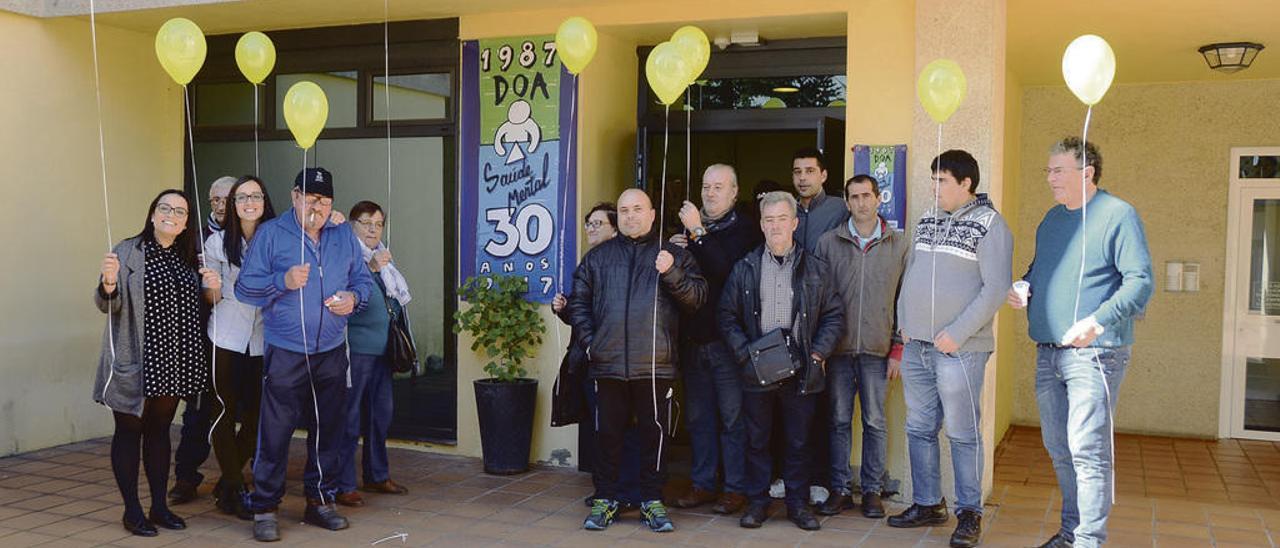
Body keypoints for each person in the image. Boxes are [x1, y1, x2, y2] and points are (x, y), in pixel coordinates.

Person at [1012, 138, 1152, 548]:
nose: (1050, 178)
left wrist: (1098, 320)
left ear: (1086, 173)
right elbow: (1039, 272)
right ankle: (1071, 533)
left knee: (1087, 452)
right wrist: (1024, 287)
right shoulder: (1052, 220)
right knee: (1060, 449)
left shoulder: (1118, 215)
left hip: (1096, 356)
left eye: (1058, 170)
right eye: (1048, 171)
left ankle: (1088, 540)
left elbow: (1140, 282)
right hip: (1048, 353)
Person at [235, 167, 373, 542]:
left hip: (330, 350)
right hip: (286, 350)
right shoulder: (271, 234)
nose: (318, 207)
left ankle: (320, 501)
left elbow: (363, 281)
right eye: (311, 199)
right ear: (295, 196)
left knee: (328, 427)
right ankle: (265, 507)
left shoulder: (343, 235)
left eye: (324, 201)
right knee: (276, 431)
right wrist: (283, 281)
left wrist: (354, 298)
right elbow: (245, 288)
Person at [889, 150, 1011, 548]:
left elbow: (995, 289)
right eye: (932, 180)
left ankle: (969, 512)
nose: (934, 188)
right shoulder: (927, 218)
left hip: (960, 349)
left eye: (941, 181)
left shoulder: (990, 225)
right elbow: (912, 276)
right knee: (919, 427)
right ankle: (927, 503)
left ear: (966, 184)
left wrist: (957, 333)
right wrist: (903, 322)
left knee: (962, 433)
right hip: (917, 344)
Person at [567, 188, 707, 533]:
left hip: (655, 365)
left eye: (637, 209)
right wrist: (590, 342)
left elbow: (697, 299)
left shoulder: (672, 254)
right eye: (624, 210)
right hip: (608, 361)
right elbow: (579, 302)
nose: (631, 216)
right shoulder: (598, 258)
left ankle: (651, 500)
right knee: (608, 436)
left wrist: (672, 272)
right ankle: (606, 499)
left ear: (653, 214)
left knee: (654, 436)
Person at [93, 189, 217, 536]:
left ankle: (159, 507)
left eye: (180, 211)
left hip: (174, 359)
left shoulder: (189, 256)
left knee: (160, 432)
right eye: (165, 208)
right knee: (130, 431)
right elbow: (107, 304)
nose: (172, 215)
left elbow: (203, 304)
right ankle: (132, 511)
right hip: (136, 357)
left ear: (186, 222)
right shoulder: (128, 250)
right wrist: (108, 283)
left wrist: (211, 289)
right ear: (152, 214)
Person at [719, 191, 844, 531]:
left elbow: (834, 315)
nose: (775, 226)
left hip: (801, 368)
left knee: (799, 441)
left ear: (794, 223)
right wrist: (745, 355)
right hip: (757, 368)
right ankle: (757, 503)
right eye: (768, 220)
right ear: (761, 225)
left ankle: (797, 504)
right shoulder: (744, 267)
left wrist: (817, 353)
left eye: (781, 219)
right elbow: (727, 316)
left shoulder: (816, 268)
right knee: (756, 440)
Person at [666, 164, 761, 515]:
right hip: (694, 339)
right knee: (698, 419)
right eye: (706, 186)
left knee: (733, 419)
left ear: (735, 193)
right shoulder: (690, 231)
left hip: (728, 343)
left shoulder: (746, 229)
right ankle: (703, 484)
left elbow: (726, 270)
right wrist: (679, 249)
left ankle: (735, 488)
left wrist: (697, 232)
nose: (710, 193)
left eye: (718, 187)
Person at [813, 174, 908, 518]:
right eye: (854, 197)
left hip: (877, 350)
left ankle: (871, 491)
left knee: (875, 422)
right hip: (837, 352)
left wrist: (898, 349)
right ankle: (839, 490)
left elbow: (904, 302)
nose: (861, 203)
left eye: (867, 196)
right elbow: (818, 300)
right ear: (846, 201)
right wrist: (820, 349)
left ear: (879, 198)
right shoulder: (828, 243)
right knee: (837, 421)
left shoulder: (898, 244)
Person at [550, 202, 645, 509]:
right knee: (598, 429)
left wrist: (596, 344)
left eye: (597, 224)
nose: (590, 229)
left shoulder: (624, 261)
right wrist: (565, 310)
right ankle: (605, 489)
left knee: (623, 429)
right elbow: (582, 314)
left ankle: (628, 490)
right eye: (588, 224)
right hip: (588, 360)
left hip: (616, 361)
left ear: (615, 228)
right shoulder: (590, 262)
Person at [202, 176, 274, 519]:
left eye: (255, 196)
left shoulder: (276, 237)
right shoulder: (216, 244)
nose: (249, 202)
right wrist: (211, 286)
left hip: (262, 338)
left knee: (258, 417)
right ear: (232, 204)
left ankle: (228, 484)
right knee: (223, 413)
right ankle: (234, 486)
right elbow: (210, 298)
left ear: (264, 201)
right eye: (241, 197)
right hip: (226, 336)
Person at [335, 200, 412, 507]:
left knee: (381, 414)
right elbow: (341, 291)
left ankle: (377, 475)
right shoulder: (345, 253)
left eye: (378, 223)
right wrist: (371, 267)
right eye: (366, 222)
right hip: (356, 348)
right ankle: (343, 483)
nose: (372, 229)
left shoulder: (383, 256)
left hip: (382, 349)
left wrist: (380, 266)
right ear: (353, 225)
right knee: (350, 417)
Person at [170, 174, 237, 505]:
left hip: (241, 341)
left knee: (238, 409)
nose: (222, 206)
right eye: (216, 200)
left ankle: (232, 477)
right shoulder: (192, 239)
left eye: (229, 199)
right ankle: (185, 477)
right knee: (197, 412)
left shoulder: (257, 234)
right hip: (202, 339)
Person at [791, 148, 849, 252]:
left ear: (823, 176)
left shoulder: (840, 208)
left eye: (810, 171)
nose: (802, 177)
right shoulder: (787, 210)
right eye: (797, 172)